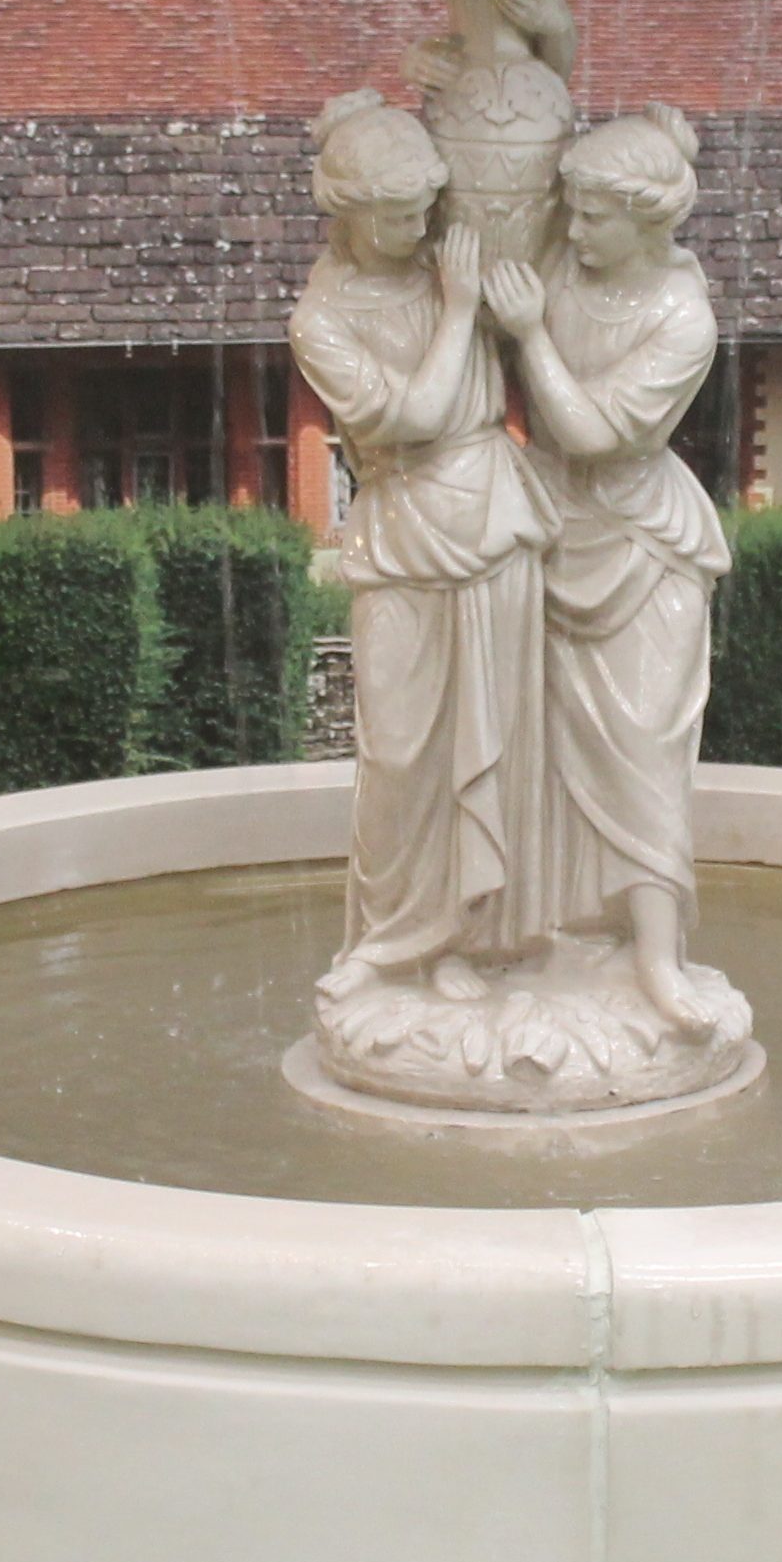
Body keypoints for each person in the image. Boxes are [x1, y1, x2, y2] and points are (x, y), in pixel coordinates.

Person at [289, 90, 558, 1007]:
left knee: (493, 737)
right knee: (400, 750)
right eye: (399, 214)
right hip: (403, 521)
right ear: (350, 213)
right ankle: (393, 940)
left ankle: (475, 938)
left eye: (421, 208)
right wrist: (454, 314)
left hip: (491, 517)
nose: (419, 226)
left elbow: (539, 218)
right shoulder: (321, 319)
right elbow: (411, 416)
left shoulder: (451, 256)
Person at [483, 106, 734, 1039]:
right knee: (542, 753)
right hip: (550, 532)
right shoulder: (566, 265)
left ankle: (660, 962)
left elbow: (591, 433)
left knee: (642, 753)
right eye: (573, 211)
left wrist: (529, 334)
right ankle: (547, 932)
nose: (574, 228)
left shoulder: (683, 316)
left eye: (593, 216)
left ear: (648, 222)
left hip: (639, 551)